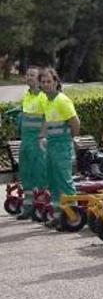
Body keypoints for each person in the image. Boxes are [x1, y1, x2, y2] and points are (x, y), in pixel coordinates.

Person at [37, 67, 80, 230]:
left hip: (62, 144)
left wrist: (71, 138)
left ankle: (72, 216)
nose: (46, 84)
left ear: (56, 82)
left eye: (49, 81)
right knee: (53, 180)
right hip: (52, 144)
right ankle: (58, 216)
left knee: (64, 180)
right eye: (43, 82)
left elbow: (75, 122)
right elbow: (47, 121)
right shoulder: (47, 100)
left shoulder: (62, 100)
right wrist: (41, 136)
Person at [16, 66, 47, 220]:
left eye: (32, 75)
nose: (29, 78)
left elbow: (48, 117)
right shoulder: (27, 95)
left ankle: (42, 207)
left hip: (37, 141)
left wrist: (42, 135)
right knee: (26, 172)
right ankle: (28, 206)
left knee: (40, 173)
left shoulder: (43, 96)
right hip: (26, 141)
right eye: (27, 75)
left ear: (39, 78)